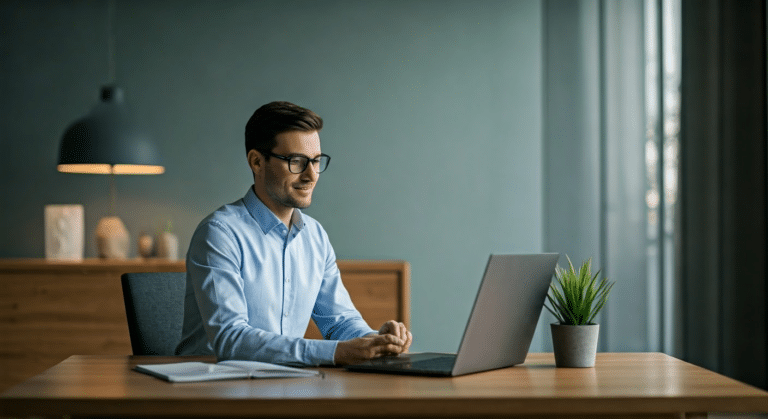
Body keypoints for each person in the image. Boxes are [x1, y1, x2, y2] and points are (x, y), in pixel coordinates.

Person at [175, 101, 412, 366]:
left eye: (316, 161)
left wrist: (378, 341)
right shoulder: (219, 234)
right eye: (297, 162)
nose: (311, 175)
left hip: (284, 387)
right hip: (211, 392)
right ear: (256, 161)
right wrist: (337, 352)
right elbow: (231, 340)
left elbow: (341, 323)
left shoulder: (315, 237)